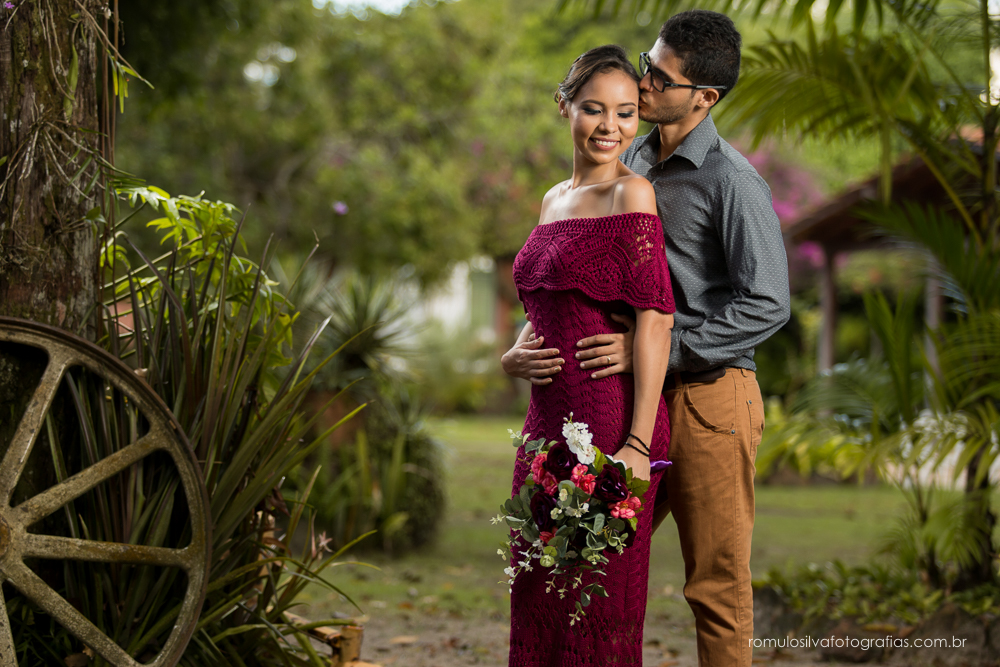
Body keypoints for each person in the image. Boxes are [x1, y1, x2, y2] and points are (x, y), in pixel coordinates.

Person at [502, 11, 791, 667]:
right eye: (647, 61)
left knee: (713, 586)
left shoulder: (731, 182)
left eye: (660, 76)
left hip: (712, 402)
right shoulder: (627, 155)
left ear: (705, 97)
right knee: (586, 562)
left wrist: (654, 345)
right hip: (627, 401)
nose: (644, 79)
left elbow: (769, 302)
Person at [505, 45, 676, 666]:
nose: (611, 127)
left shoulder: (632, 197)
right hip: (545, 427)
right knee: (536, 591)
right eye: (594, 110)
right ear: (565, 107)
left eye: (627, 113)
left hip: (610, 425)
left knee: (597, 603)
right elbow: (541, 313)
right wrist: (510, 359)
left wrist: (635, 446)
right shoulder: (552, 200)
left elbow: (656, 320)